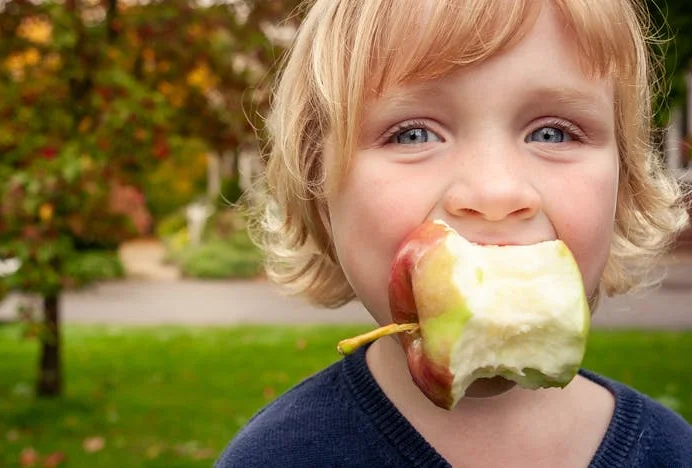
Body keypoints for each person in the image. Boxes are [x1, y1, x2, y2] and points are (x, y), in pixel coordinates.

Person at [216, 0, 692, 466]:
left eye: (552, 133)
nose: (495, 192)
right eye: (413, 134)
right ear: (319, 189)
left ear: (623, 183)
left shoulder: (674, 451)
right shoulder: (278, 456)